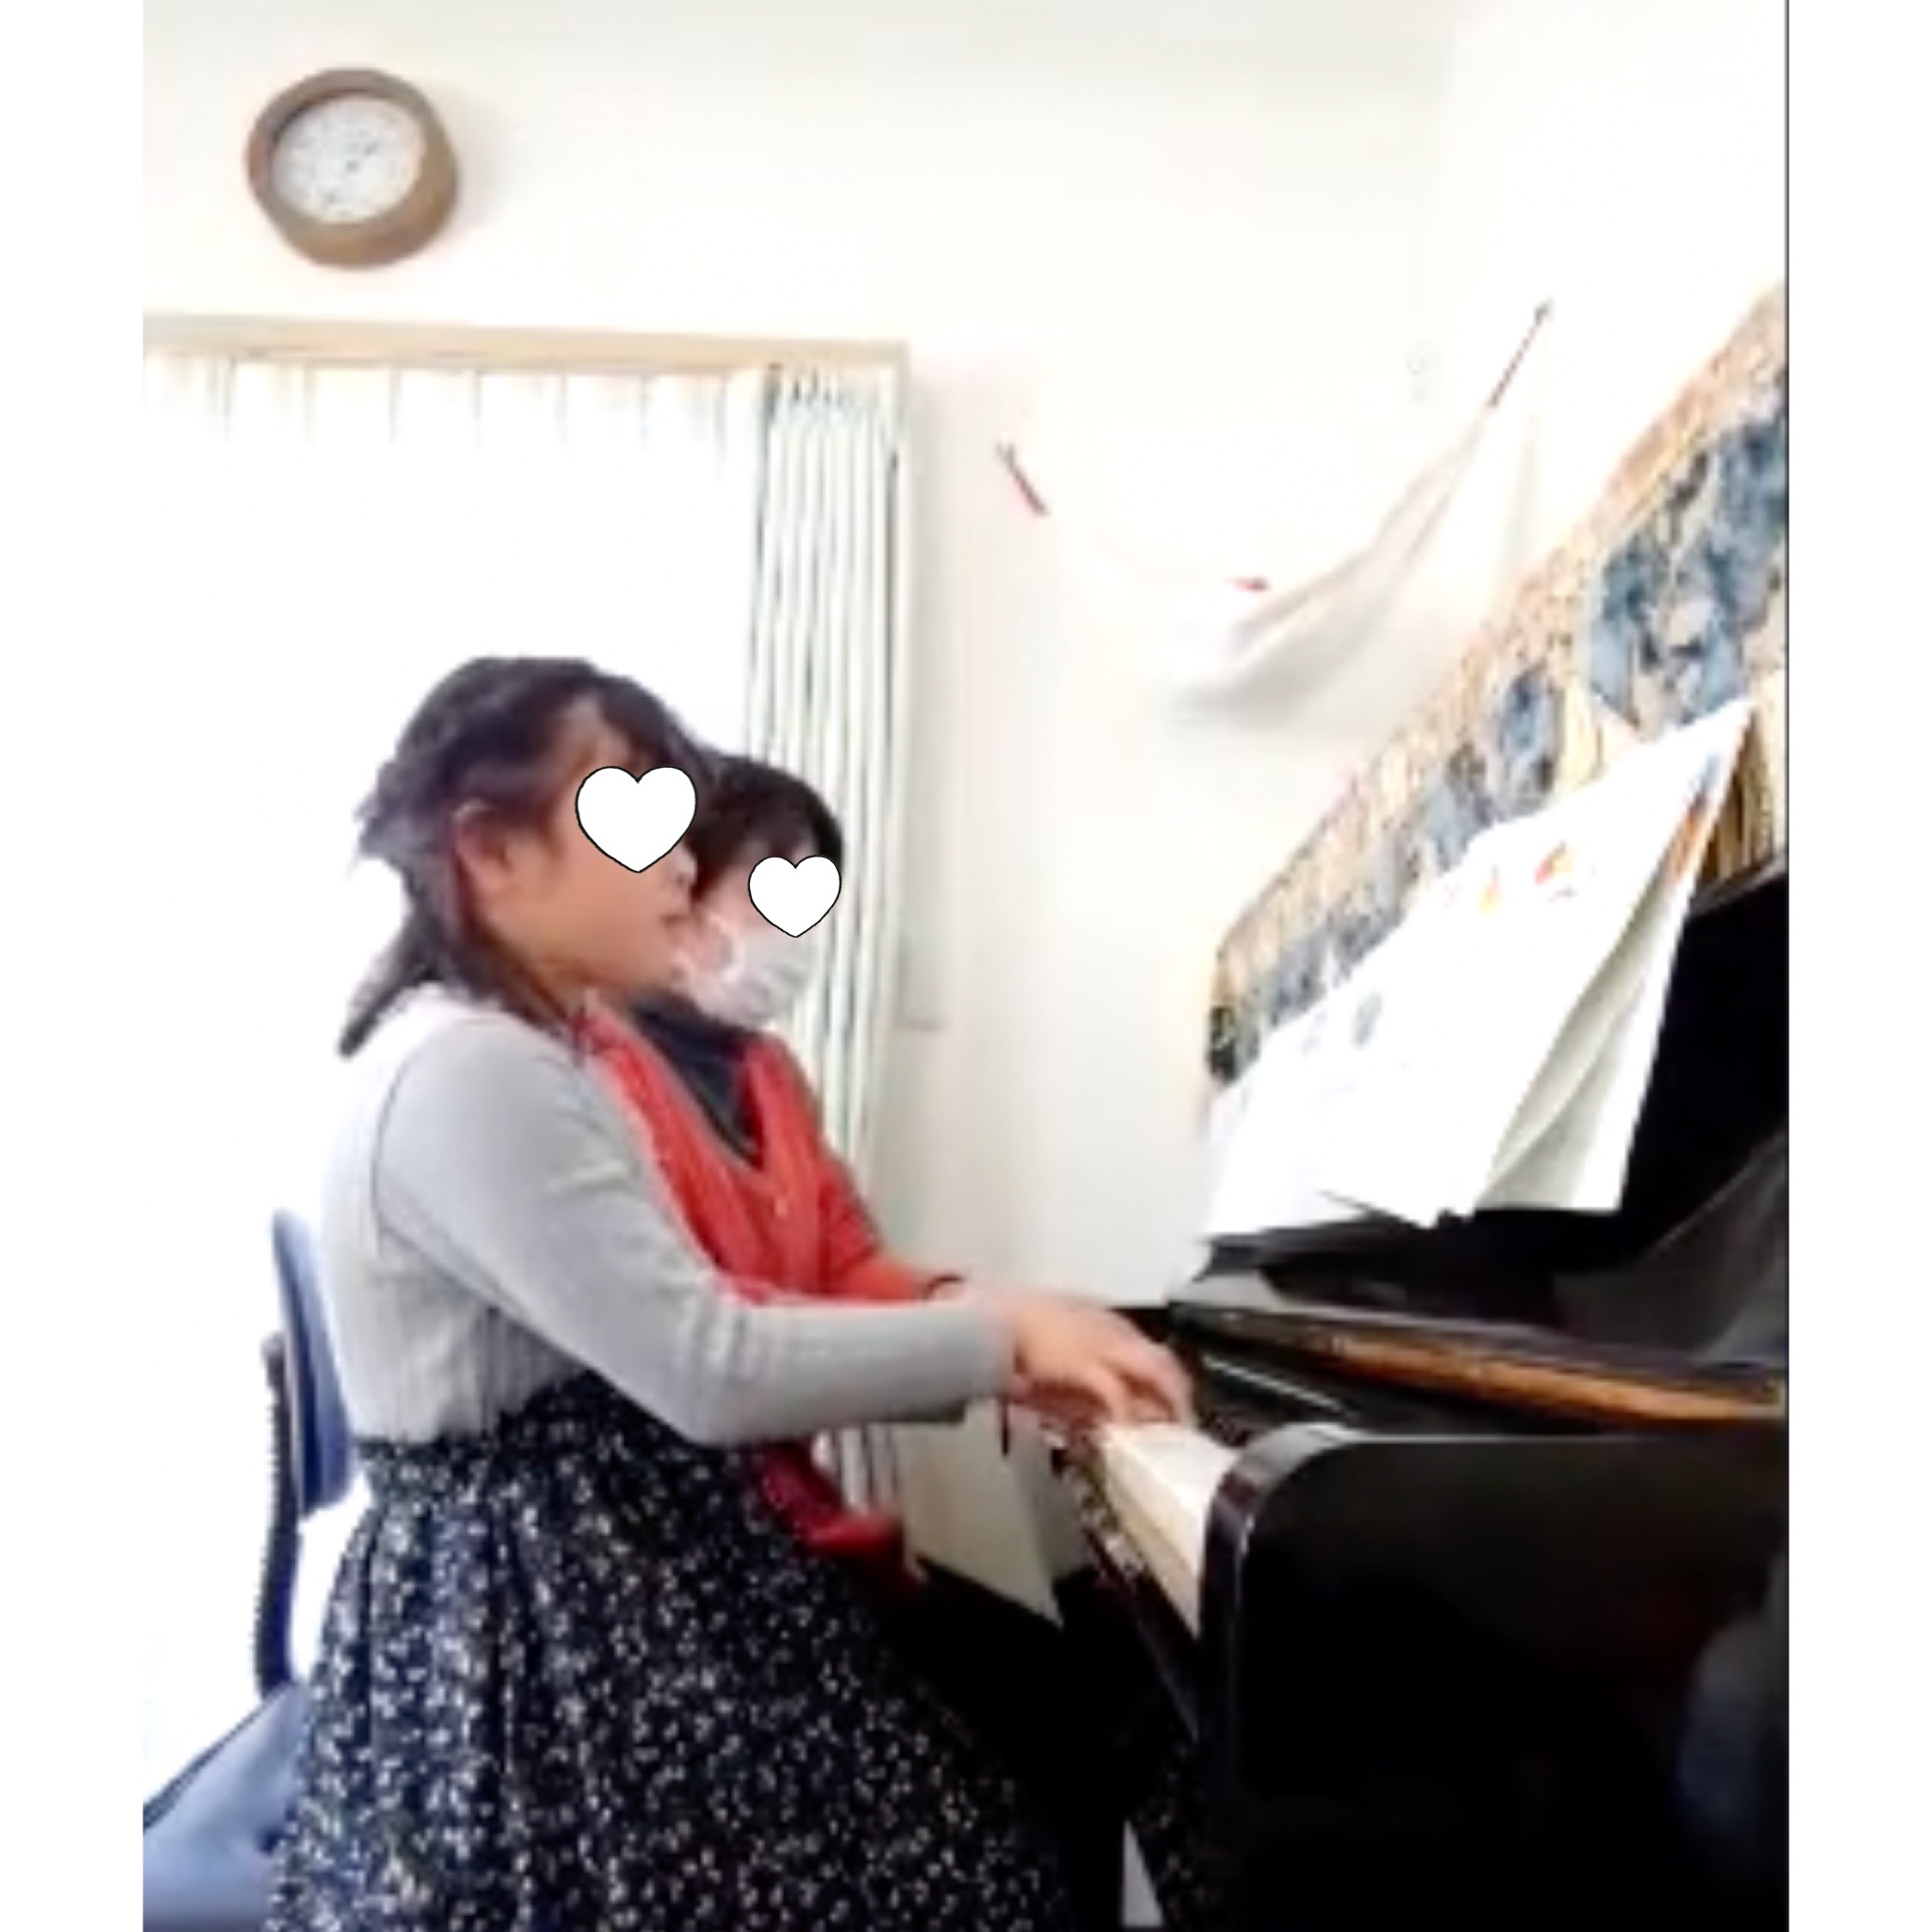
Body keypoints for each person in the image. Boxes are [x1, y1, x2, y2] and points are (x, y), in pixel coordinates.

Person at [267, 656, 1191, 1932]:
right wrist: (998, 1338)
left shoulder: (543, 1051)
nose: (679, 866)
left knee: (982, 1798)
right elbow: (711, 1364)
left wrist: (1002, 1334)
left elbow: (735, 1303)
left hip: (623, 1571)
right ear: (490, 852)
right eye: (630, 816)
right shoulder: (472, 1070)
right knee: (965, 1850)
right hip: (540, 1630)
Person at [577, 754, 1148, 1928]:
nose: (789, 931)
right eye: (767, 886)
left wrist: (996, 1311)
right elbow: (713, 1327)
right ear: (676, 876)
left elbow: (843, 1259)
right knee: (1044, 1720)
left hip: (794, 1531)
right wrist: (994, 1341)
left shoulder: (770, 1074)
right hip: (704, 1564)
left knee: (1083, 1690)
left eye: (808, 897)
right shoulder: (592, 1070)